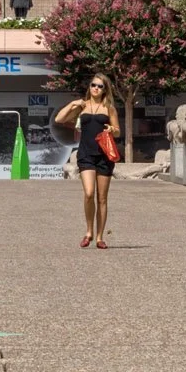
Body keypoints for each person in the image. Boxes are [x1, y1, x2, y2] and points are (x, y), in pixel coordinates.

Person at [55, 74, 121, 248]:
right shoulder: (82, 106)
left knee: (102, 198)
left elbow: (117, 132)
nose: (96, 88)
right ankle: (88, 231)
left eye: (100, 86)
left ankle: (99, 237)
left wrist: (111, 129)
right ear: (89, 87)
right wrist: (72, 104)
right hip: (85, 154)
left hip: (105, 155)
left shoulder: (109, 108)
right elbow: (59, 119)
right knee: (89, 193)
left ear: (105, 89)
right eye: (93, 85)